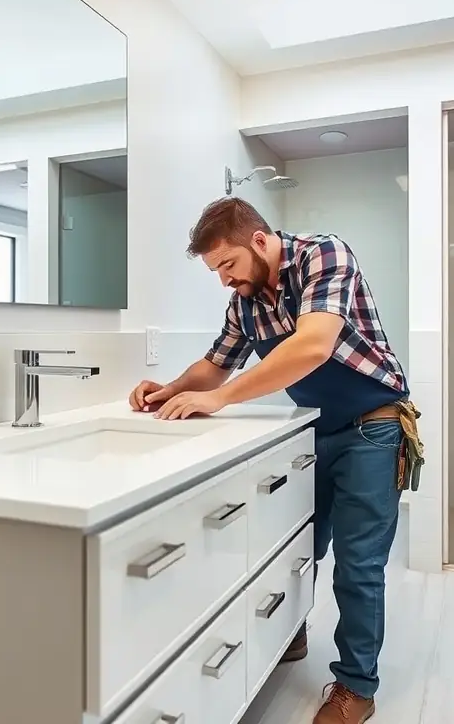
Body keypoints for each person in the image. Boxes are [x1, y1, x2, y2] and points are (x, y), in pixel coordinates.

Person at [128, 197, 417, 724]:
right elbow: (216, 366)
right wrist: (168, 390)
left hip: (373, 426)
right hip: (316, 428)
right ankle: (290, 628)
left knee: (357, 566)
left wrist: (222, 399)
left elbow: (313, 345)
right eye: (215, 271)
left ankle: (357, 687)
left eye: (228, 265)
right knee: (297, 543)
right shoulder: (245, 301)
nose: (224, 280)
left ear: (260, 241)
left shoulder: (323, 255)